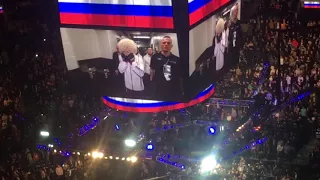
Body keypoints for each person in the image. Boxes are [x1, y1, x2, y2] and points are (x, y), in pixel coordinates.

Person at [150, 36, 183, 100]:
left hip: (172, 90)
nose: (166, 44)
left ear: (171, 46)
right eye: (164, 43)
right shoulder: (155, 57)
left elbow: (179, 77)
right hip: (158, 90)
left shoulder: (177, 59)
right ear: (161, 45)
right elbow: (152, 70)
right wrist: (151, 86)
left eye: (168, 43)